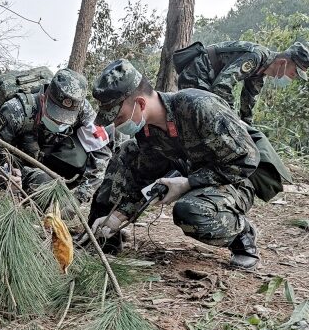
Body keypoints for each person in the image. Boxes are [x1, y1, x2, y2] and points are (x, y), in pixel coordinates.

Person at [85, 58, 274, 270]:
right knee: (127, 152)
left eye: (118, 117)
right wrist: (118, 217)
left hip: (235, 180)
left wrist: (188, 183)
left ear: (140, 103)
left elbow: (246, 161)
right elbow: (145, 177)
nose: (117, 124)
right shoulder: (147, 132)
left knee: (189, 212)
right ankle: (103, 235)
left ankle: (243, 236)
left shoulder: (199, 107)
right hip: (189, 174)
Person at [0, 68, 112, 207]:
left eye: (66, 119)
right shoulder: (15, 111)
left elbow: (102, 151)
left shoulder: (83, 109)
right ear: (44, 99)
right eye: (55, 115)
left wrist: (79, 197)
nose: (60, 122)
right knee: (42, 180)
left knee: (90, 162)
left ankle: (56, 199)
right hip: (21, 165)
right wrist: (4, 178)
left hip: (53, 158)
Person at [174, 41, 309, 125]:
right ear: (283, 62)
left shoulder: (260, 73)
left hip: (208, 80)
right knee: (202, 122)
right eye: (294, 72)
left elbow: (247, 104)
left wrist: (248, 129)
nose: (293, 77)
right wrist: (234, 119)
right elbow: (221, 87)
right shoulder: (256, 57)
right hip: (197, 74)